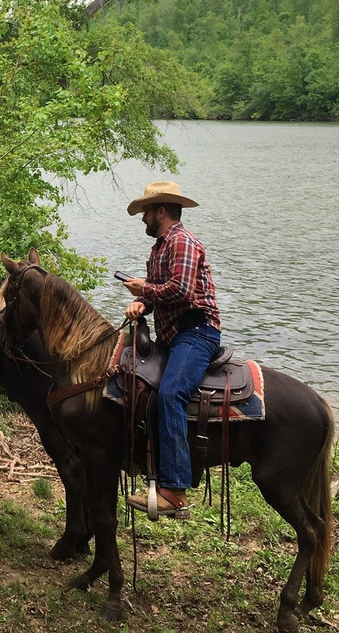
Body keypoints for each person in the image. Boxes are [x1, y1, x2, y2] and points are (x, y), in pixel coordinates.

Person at [119, 181, 221, 519]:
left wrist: (143, 288)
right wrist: (140, 304)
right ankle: (149, 470)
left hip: (196, 333)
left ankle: (175, 491)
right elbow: (158, 295)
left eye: (146, 212)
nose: (143, 218)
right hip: (173, 335)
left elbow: (181, 291)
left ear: (160, 211)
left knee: (171, 394)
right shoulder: (159, 248)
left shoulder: (182, 242)